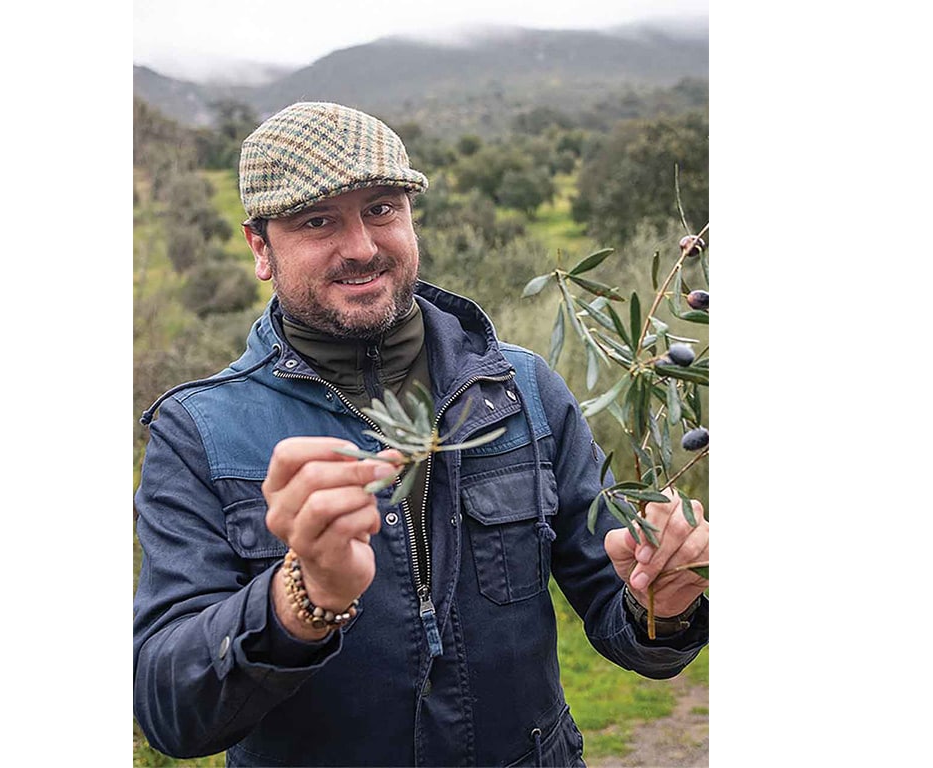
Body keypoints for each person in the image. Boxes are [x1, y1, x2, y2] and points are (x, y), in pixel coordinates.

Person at [133, 101, 709, 767]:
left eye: (380, 208)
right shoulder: (199, 431)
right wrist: (300, 601)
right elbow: (169, 712)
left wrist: (662, 606)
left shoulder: (524, 389)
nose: (361, 247)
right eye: (318, 221)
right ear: (260, 247)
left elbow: (622, 616)